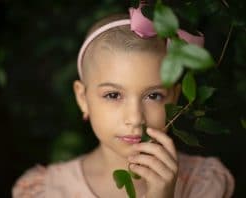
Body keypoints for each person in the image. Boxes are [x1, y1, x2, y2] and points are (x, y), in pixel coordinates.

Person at [12, 4, 234, 198]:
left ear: (175, 97)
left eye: (153, 95)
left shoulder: (202, 183)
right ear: (83, 99)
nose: (135, 118)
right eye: (113, 95)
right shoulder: (47, 191)